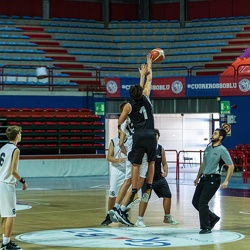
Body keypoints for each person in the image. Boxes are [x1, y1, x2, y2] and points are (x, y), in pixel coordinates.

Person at [118, 54, 157, 210]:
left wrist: (124, 124)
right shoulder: (146, 97)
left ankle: (134, 191)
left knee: (135, 164)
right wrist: (149, 68)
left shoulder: (128, 106)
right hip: (151, 134)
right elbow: (149, 81)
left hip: (138, 136)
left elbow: (120, 121)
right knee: (151, 162)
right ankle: (145, 189)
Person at [192, 128, 234, 234]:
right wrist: (197, 177)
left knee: (202, 202)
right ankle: (213, 217)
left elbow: (231, 166)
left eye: (215, 133)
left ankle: (206, 227)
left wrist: (226, 181)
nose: (212, 134)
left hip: (213, 180)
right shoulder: (208, 149)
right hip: (203, 179)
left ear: (220, 137)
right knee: (195, 202)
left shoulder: (223, 150)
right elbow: (203, 164)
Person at [135, 129, 178, 227]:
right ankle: (139, 219)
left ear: (158, 137)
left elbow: (165, 163)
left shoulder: (161, 149)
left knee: (168, 195)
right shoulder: (144, 149)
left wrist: (166, 171)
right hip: (146, 178)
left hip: (158, 177)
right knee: (145, 198)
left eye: (156, 136)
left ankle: (167, 217)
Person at [0, 125, 28, 250]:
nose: (21, 135)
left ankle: (5, 241)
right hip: (6, 186)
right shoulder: (15, 150)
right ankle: (6, 244)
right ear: (17, 135)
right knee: (11, 215)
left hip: (1, 182)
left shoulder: (3, 148)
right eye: (20, 133)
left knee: (5, 215)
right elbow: (13, 171)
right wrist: (23, 181)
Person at [100, 127, 127, 226]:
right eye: (123, 129)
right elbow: (109, 157)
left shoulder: (131, 141)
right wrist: (118, 160)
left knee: (129, 195)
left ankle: (124, 214)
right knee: (113, 194)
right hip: (117, 170)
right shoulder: (114, 141)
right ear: (119, 130)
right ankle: (109, 216)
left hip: (127, 171)